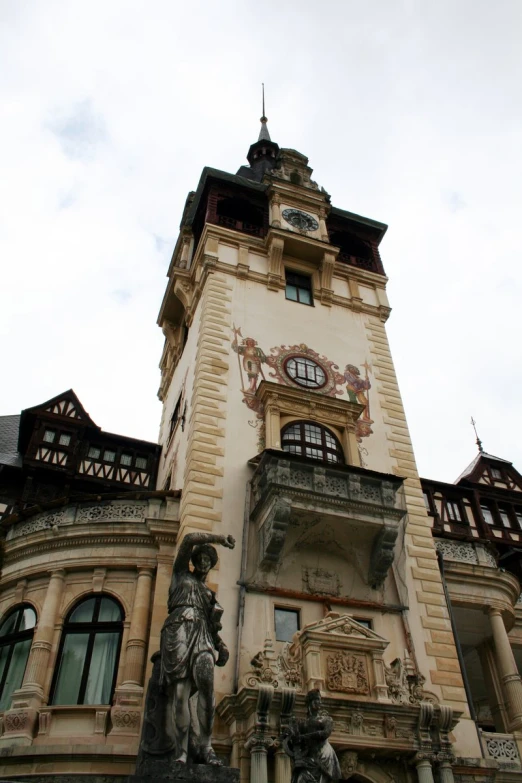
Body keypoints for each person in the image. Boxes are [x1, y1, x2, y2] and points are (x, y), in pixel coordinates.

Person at [160, 531, 235, 765]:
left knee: (207, 684)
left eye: (208, 560)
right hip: (178, 630)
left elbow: (214, 628)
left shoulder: (209, 595)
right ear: (193, 561)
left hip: (202, 632)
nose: (204, 562)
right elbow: (189, 538)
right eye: (200, 558)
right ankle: (181, 751)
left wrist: (221, 645)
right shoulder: (180, 573)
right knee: (181, 694)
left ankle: (207, 746)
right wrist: (219, 539)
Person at [283, 689, 341, 783]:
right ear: (310, 702)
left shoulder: (326, 720)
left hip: (324, 756)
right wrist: (288, 736)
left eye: (320, 699)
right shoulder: (301, 723)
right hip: (308, 758)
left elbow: (325, 733)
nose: (320, 702)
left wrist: (303, 737)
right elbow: (293, 741)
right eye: (317, 699)